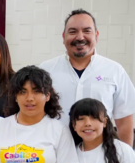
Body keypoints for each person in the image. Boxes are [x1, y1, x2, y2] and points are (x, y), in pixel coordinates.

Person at [40, 9, 135, 146]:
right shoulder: (46, 70)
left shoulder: (115, 71)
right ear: (63, 37)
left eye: (87, 31)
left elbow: (124, 119)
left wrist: (125, 155)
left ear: (96, 35)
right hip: (54, 150)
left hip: (101, 152)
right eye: (73, 32)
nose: (80, 37)